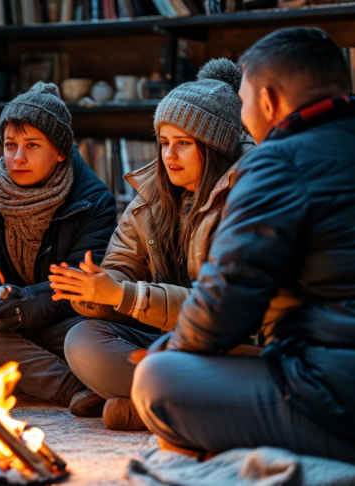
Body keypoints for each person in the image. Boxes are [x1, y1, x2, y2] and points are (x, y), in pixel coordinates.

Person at [131, 27, 355, 462]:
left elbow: (225, 302)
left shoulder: (277, 161)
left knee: (158, 379)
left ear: (268, 100)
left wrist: (168, 350)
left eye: (244, 101)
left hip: (333, 389)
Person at [51, 59, 254, 430]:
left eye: (183, 144)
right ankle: (164, 400)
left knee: (231, 365)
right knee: (81, 338)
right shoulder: (152, 198)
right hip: (167, 341)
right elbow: (123, 266)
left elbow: (222, 310)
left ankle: (148, 403)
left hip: (224, 345)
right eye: (163, 142)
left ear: (212, 148)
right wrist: (94, 291)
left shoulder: (247, 196)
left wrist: (124, 295)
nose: (168, 155)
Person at [0, 82, 117, 408]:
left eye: (32, 145)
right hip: (7, 322)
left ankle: (29, 371)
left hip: (64, 323)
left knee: (93, 331)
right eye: (10, 145)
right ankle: (72, 388)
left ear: (60, 151)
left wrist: (26, 303)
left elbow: (79, 282)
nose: (18, 157)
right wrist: (0, 298)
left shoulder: (94, 202)